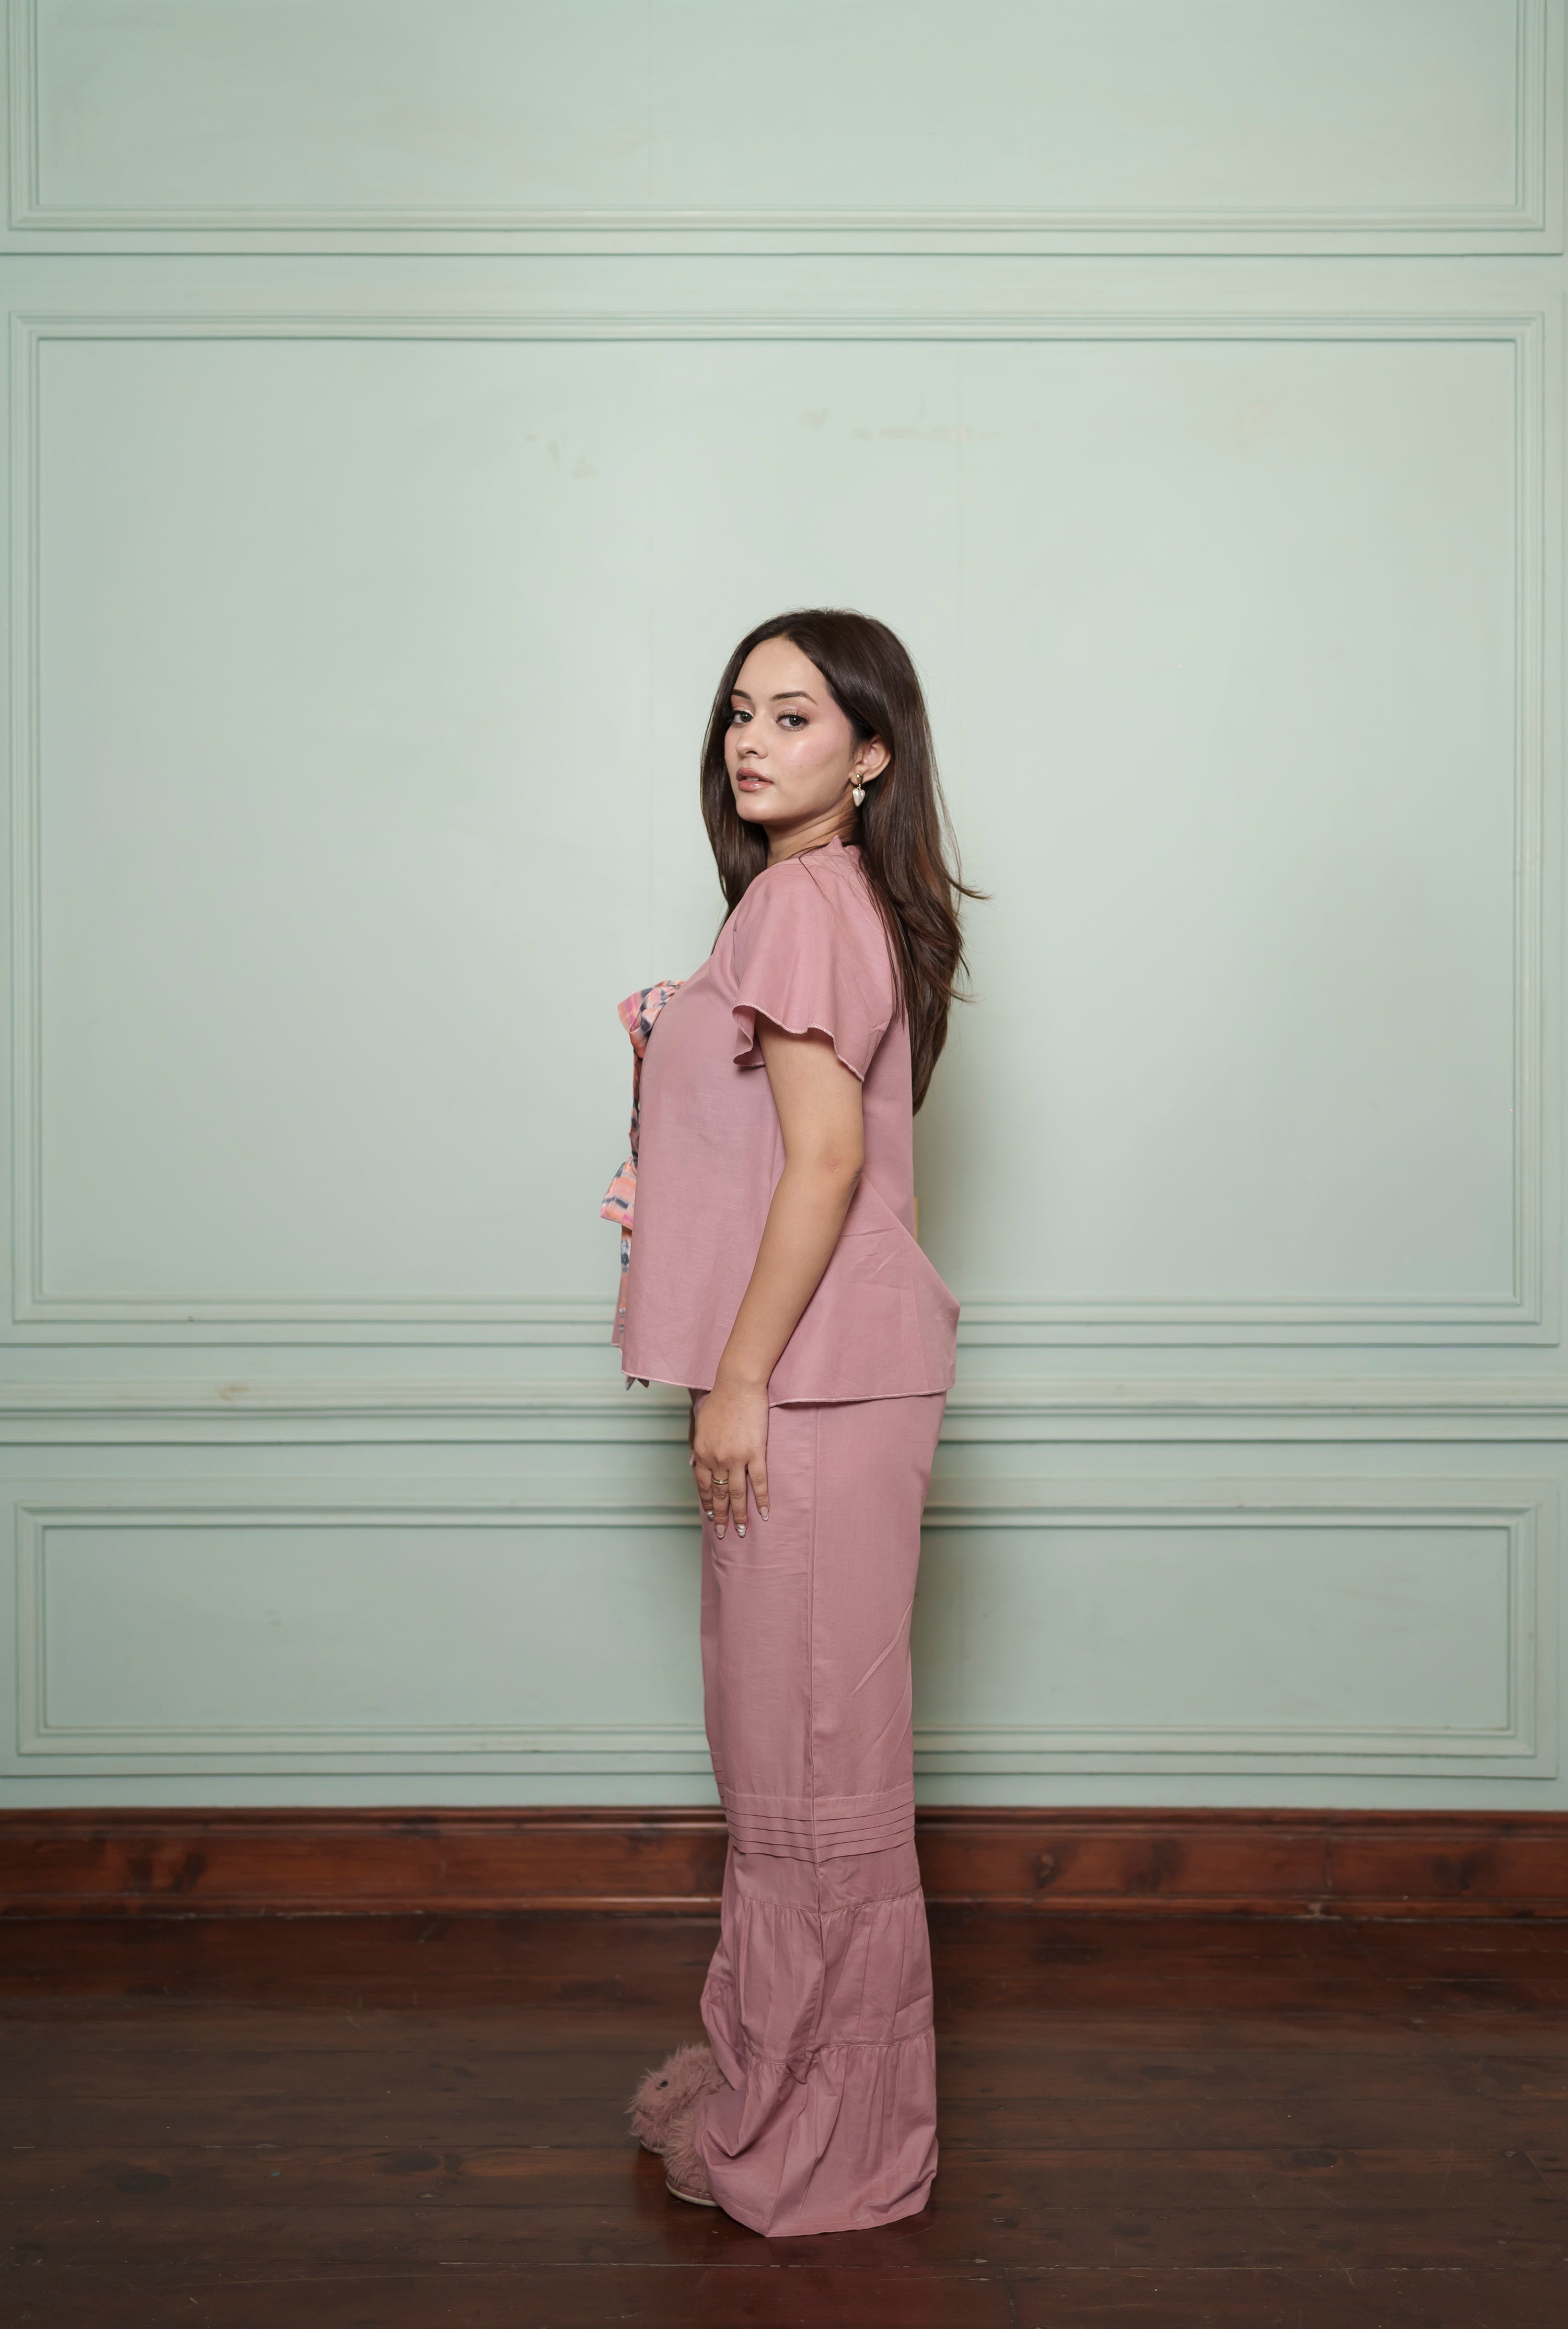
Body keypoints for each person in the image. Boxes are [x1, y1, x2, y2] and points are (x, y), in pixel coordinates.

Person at [605, 608, 973, 2236]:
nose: (754, 741)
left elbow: (825, 1164)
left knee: (813, 1780)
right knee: (793, 1772)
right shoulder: (807, 900)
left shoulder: (806, 904)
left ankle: (832, 2144)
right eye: (740, 713)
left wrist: (741, 1377)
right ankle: (790, 2085)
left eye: (797, 716)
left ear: (871, 752)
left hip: (813, 1390)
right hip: (814, 1383)